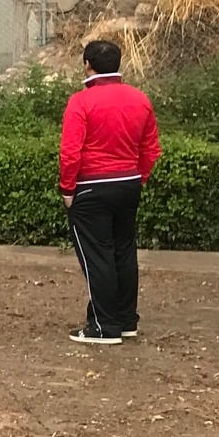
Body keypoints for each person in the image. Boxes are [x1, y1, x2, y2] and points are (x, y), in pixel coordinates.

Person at [60, 39, 160, 345]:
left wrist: (67, 188)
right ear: (118, 64)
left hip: (91, 186)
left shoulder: (81, 102)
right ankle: (126, 319)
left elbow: (70, 151)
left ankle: (103, 326)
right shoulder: (139, 98)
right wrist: (138, 178)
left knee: (97, 255)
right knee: (123, 251)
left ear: (87, 65)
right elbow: (151, 148)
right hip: (128, 183)